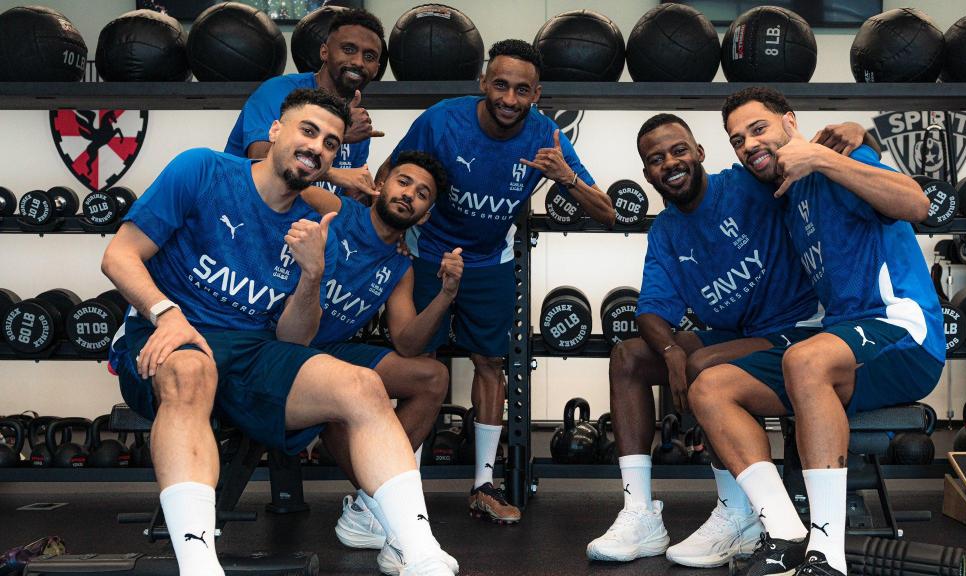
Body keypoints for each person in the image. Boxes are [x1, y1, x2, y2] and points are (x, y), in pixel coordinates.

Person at [103, 88, 456, 576]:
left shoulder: (317, 224)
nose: (317, 148)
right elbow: (119, 255)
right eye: (308, 131)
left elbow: (293, 340)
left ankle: (420, 552)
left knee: (362, 385)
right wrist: (166, 313)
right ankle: (199, 566)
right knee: (191, 371)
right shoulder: (203, 170)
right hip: (169, 336)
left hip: (254, 350)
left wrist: (312, 274)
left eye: (330, 143)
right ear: (275, 130)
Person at [586, 114, 876, 567]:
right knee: (629, 357)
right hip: (737, 336)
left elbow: (803, 155)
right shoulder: (666, 231)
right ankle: (640, 514)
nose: (670, 163)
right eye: (657, 159)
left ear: (699, 153)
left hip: (801, 329)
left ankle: (740, 512)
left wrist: (860, 132)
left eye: (679, 150)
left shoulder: (745, 185)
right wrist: (670, 352)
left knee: (705, 364)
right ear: (647, 174)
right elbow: (650, 311)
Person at [688, 86, 942, 576]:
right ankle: (785, 533)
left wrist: (826, 155)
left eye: (758, 128)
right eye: (738, 139)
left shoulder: (839, 159)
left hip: (903, 332)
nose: (749, 144)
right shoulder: (785, 193)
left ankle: (827, 556)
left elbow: (917, 203)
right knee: (710, 387)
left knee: (805, 359)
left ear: (790, 121)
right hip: (841, 340)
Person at [382, 38, 616, 524]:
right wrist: (393, 232)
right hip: (429, 250)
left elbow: (607, 212)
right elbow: (390, 173)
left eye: (522, 90)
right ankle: (403, 487)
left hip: (491, 259)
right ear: (483, 82)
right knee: (419, 365)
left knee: (490, 363)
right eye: (501, 85)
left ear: (537, 94)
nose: (510, 99)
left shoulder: (547, 137)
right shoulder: (442, 120)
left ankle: (483, 485)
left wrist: (566, 177)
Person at [301, 151, 463, 575]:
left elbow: (407, 342)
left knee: (432, 376)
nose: (409, 195)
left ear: (426, 214)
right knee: (345, 394)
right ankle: (395, 520)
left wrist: (446, 295)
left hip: (329, 348)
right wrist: (335, 173)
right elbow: (281, 180)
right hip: (285, 344)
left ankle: (369, 508)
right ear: (382, 184)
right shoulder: (338, 209)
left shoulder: (400, 266)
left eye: (422, 194)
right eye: (403, 182)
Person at [225, 8, 386, 201]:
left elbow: (350, 191)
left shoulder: (358, 123)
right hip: (242, 208)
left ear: (376, 69)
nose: (359, 62)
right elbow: (261, 159)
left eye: (369, 57)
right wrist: (339, 136)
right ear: (325, 52)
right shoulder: (277, 92)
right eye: (348, 49)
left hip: (307, 217)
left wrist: (369, 198)